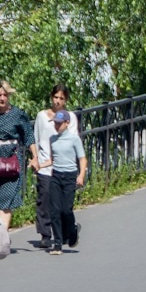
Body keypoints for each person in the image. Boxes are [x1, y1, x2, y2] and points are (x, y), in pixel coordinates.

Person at [33, 85, 80, 248]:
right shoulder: (41, 116)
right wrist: (36, 159)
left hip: (62, 165)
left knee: (62, 205)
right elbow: (37, 139)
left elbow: (72, 140)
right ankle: (45, 234)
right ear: (51, 97)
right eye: (56, 97)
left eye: (61, 98)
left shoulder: (70, 117)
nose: (58, 101)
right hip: (45, 164)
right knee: (44, 198)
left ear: (65, 100)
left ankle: (66, 232)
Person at [0, 81, 37, 260]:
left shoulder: (17, 115)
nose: (2, 98)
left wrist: (35, 157)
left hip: (11, 163)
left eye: (4, 95)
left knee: (6, 200)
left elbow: (29, 136)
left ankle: (2, 239)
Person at [45, 110, 86, 254]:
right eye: (55, 123)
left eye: (59, 123)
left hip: (69, 176)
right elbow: (52, 159)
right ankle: (57, 244)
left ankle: (72, 229)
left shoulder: (74, 139)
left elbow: (82, 159)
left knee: (66, 210)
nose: (56, 125)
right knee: (55, 211)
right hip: (56, 175)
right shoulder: (52, 139)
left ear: (67, 123)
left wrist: (81, 175)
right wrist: (39, 165)